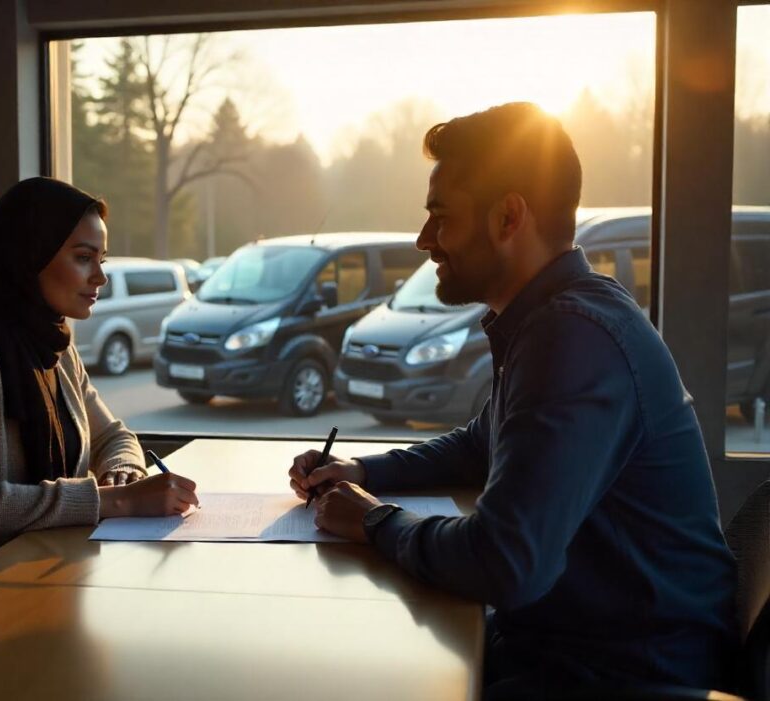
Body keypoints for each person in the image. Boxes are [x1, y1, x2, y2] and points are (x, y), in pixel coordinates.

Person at [288, 103, 737, 694]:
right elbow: (481, 444)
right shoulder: (556, 317)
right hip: (575, 643)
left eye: (440, 218)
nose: (424, 241)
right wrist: (362, 468)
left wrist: (374, 520)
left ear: (507, 217)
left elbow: (505, 562)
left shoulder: (571, 335)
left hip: (627, 673)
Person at [0, 177, 198, 586]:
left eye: (102, 258)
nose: (100, 277)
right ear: (28, 257)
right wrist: (113, 500)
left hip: (39, 577)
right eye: (84, 258)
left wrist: (123, 472)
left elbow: (113, 437)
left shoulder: (53, 344)